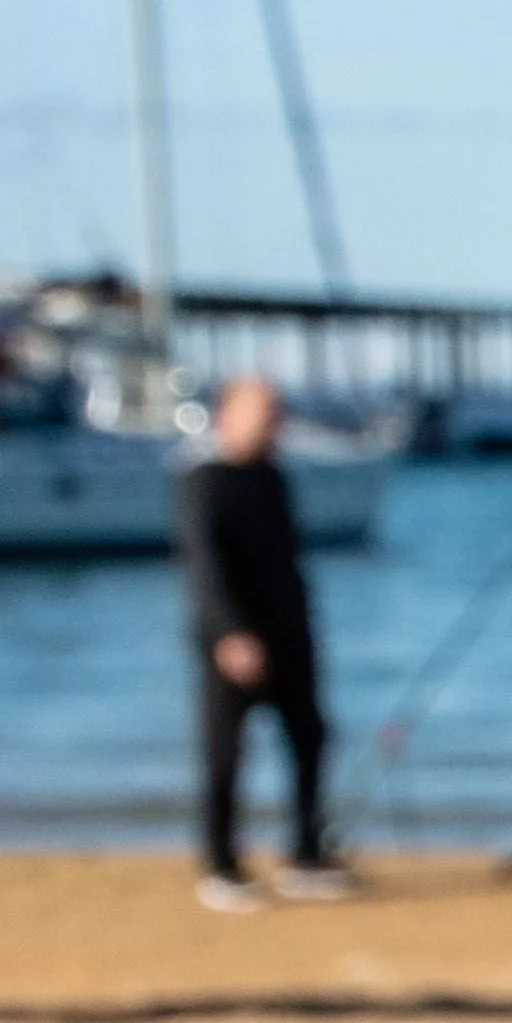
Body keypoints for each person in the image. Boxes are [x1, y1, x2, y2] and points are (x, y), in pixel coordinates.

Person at [173, 376, 349, 906]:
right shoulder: (204, 481)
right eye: (262, 412)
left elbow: (289, 565)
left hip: (290, 637)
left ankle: (306, 854)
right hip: (231, 642)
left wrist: (307, 628)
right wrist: (229, 634)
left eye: (277, 412)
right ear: (228, 415)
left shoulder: (274, 478)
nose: (273, 422)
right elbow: (205, 567)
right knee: (225, 756)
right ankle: (221, 867)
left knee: (312, 740)